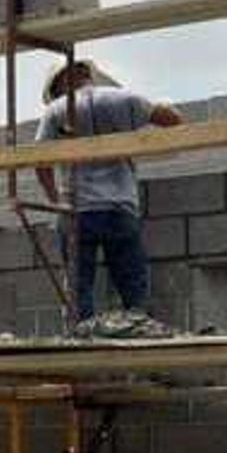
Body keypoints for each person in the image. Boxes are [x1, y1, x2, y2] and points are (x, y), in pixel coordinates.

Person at [33, 57, 183, 334]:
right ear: (87, 74)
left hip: (78, 211)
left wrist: (55, 202)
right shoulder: (123, 98)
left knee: (79, 291)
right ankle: (140, 332)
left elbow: (40, 164)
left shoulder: (56, 110)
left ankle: (82, 342)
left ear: (59, 85)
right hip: (121, 208)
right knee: (132, 287)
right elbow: (173, 119)